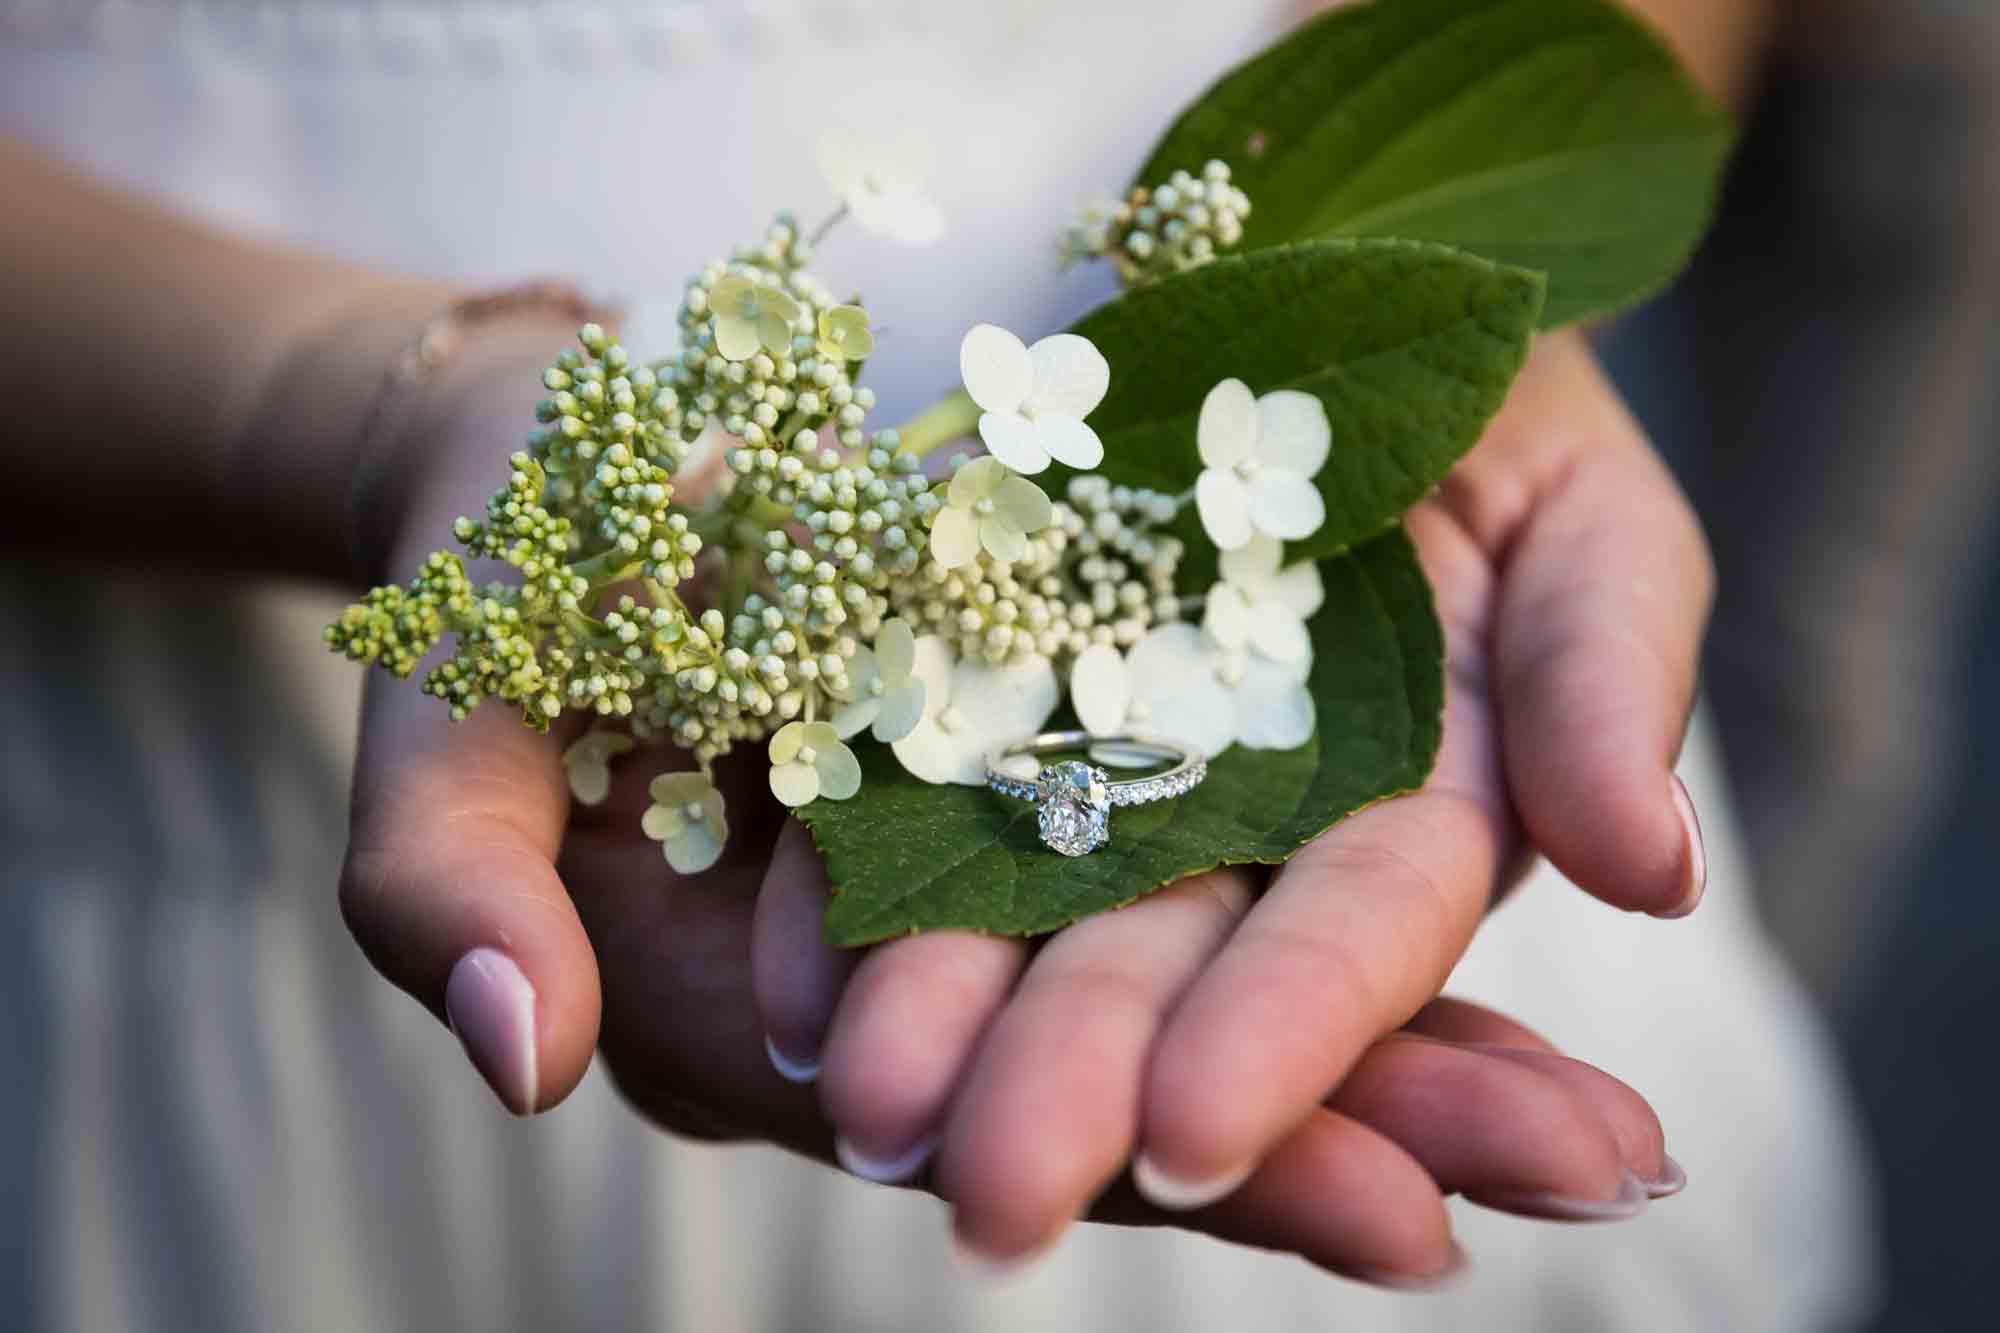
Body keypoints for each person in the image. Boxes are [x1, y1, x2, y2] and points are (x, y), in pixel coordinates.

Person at [0, 1, 1873, 1328]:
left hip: (1220, 564)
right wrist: (361, 407)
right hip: (185, 886)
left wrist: (1406, 286)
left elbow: (1598, 102)